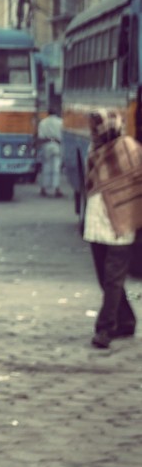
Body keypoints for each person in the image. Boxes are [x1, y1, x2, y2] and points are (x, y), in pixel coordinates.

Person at [82, 109, 142, 349]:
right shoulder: (93, 150)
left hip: (122, 224)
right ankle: (126, 321)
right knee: (105, 279)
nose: (94, 131)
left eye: (97, 127)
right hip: (96, 223)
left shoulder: (130, 148)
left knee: (112, 280)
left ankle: (105, 329)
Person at [37, 107, 64, 197]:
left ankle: (44, 188)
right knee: (56, 168)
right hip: (57, 145)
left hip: (46, 145)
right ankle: (56, 188)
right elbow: (62, 136)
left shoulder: (43, 122)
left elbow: (40, 136)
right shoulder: (60, 122)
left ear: (48, 113)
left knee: (46, 167)